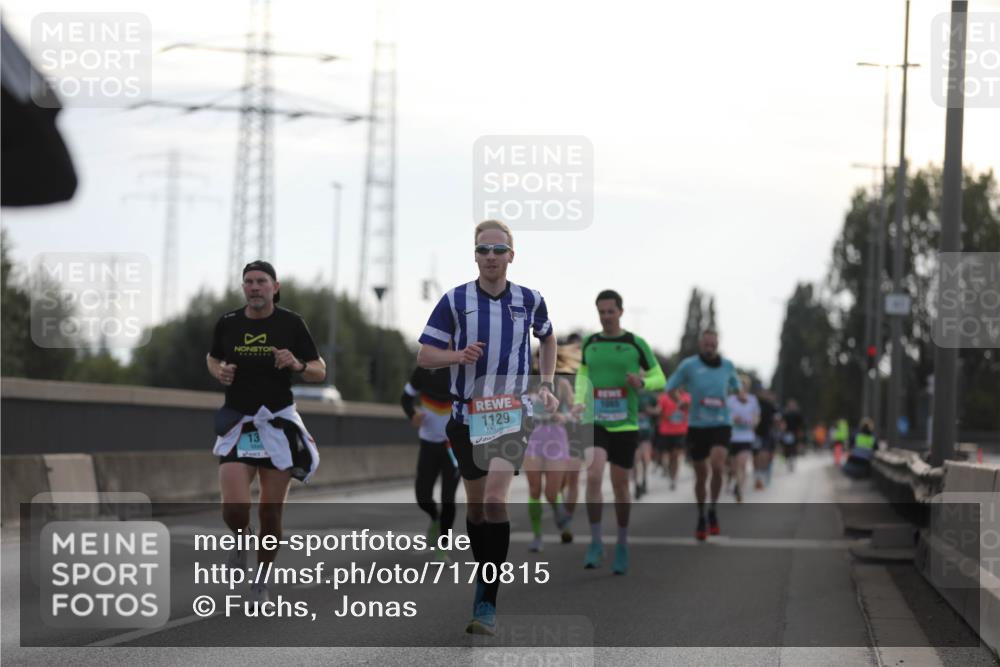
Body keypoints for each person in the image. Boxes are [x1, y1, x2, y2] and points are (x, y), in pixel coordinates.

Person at [416, 219, 558, 636]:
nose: (491, 258)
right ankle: (484, 575)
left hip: (511, 412)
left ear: (512, 255)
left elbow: (547, 338)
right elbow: (425, 355)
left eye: (499, 251)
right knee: (476, 508)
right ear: (475, 255)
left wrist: (546, 383)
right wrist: (457, 356)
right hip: (465, 417)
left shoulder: (531, 300)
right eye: (483, 250)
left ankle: (487, 599)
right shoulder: (456, 300)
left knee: (496, 501)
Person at [207, 260, 325, 604]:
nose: (254, 287)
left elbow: (319, 370)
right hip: (238, 422)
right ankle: (242, 539)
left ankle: (261, 580)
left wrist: (298, 364)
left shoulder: (291, 324)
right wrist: (220, 371)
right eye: (248, 282)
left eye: (261, 281)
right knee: (234, 506)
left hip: (277, 422)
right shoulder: (228, 323)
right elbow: (211, 357)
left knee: (270, 512)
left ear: (275, 286)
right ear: (243, 287)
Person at [572, 290, 666, 574]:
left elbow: (659, 376)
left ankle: (622, 543)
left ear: (621, 312)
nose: (605, 317)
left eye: (610, 311)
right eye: (601, 312)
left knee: (621, 485)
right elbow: (582, 375)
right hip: (596, 420)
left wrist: (642, 382)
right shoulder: (590, 342)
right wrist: (579, 401)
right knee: (593, 475)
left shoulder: (635, 344)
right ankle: (596, 542)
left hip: (626, 423)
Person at [665, 329, 740, 540]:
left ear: (718, 345)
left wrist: (737, 394)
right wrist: (679, 400)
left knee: (717, 466)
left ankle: (713, 509)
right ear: (701, 345)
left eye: (713, 345)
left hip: (721, 424)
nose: (709, 349)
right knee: (701, 474)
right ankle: (701, 515)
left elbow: (736, 386)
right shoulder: (689, 365)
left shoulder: (727, 366)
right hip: (697, 426)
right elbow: (670, 387)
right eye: (706, 345)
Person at [401, 366, 460, 561]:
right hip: (428, 443)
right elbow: (406, 398)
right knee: (422, 496)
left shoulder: (462, 368)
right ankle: (435, 517)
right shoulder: (424, 370)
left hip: (454, 446)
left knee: (448, 498)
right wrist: (412, 414)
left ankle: (442, 547)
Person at [524, 376, 574, 551]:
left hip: (556, 437)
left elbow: (577, 411)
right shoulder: (525, 380)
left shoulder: (562, 383)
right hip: (533, 435)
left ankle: (561, 520)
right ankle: (537, 536)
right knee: (534, 489)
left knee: (552, 493)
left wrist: (565, 416)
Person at [726, 375, 759, 502]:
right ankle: (736, 483)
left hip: (746, 437)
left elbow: (756, 416)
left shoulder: (752, 400)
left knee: (743, 464)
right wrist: (733, 419)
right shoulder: (731, 400)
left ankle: (740, 490)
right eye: (739, 385)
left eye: (744, 385)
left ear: (748, 387)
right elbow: (725, 416)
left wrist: (753, 422)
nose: (742, 387)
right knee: (734, 468)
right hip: (733, 437)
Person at [654, 387, 690, 491]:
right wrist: (663, 415)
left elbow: (689, 407)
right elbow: (659, 411)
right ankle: (666, 469)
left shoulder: (687, 397)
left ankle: (673, 479)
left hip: (680, 432)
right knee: (666, 456)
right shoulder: (664, 397)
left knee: (675, 456)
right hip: (665, 432)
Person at [633, 390, 658, 499]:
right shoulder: (628, 392)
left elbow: (659, 410)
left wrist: (650, 411)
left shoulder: (650, 395)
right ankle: (636, 484)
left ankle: (644, 479)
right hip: (632, 432)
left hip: (646, 431)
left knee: (645, 458)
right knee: (635, 459)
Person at [753, 389, 778, 489]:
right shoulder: (755, 404)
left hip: (766, 434)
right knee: (755, 456)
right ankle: (757, 476)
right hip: (755, 434)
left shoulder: (770, 406)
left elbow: (777, 418)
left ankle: (761, 477)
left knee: (764, 455)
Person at [780, 399, 805, 472]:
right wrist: (783, 429)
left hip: (795, 433)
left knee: (794, 447)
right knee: (786, 447)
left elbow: (801, 424)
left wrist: (800, 432)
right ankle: (787, 459)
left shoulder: (798, 414)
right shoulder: (785, 414)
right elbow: (782, 423)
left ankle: (793, 460)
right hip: (787, 433)